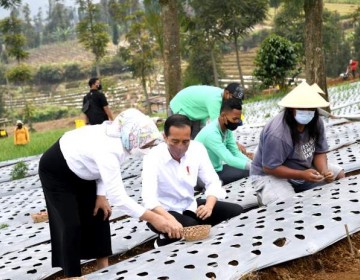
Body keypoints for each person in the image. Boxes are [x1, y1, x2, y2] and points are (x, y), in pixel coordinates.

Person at [38, 109, 180, 277]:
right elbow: (119, 197)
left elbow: (100, 170)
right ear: (132, 136)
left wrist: (100, 194)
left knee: (100, 214)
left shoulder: (120, 140)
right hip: (57, 172)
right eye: (146, 145)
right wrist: (154, 218)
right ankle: (73, 274)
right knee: (71, 224)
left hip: (84, 170)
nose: (147, 149)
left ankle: (103, 270)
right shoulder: (108, 150)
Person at [141, 114, 243, 247]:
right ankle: (163, 239)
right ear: (165, 137)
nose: (180, 147)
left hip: (189, 205)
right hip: (164, 210)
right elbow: (149, 199)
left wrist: (208, 206)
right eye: (175, 141)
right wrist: (170, 220)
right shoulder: (153, 157)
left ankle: (184, 231)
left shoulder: (197, 149)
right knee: (191, 227)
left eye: (185, 141)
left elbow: (212, 182)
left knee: (236, 211)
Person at [250, 82, 345, 206]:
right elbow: (269, 167)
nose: (307, 112)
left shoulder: (316, 122)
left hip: (302, 167)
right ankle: (265, 195)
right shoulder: (277, 133)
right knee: (288, 205)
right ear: (291, 108)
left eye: (311, 109)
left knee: (339, 174)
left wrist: (324, 171)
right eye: (302, 109)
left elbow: (319, 152)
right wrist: (301, 175)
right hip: (269, 174)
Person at [195, 98, 251, 185]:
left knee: (249, 168)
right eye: (235, 119)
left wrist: (253, 164)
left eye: (239, 119)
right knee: (249, 171)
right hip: (202, 176)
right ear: (223, 115)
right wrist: (256, 167)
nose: (237, 122)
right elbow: (229, 159)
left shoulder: (226, 129)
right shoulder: (211, 134)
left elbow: (235, 152)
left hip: (216, 169)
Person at [169, 83, 244, 139]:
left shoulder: (223, 98)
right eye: (234, 99)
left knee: (197, 142)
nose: (235, 102)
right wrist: (233, 144)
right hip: (180, 107)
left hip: (194, 112)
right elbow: (219, 124)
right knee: (180, 139)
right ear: (227, 93)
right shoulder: (214, 100)